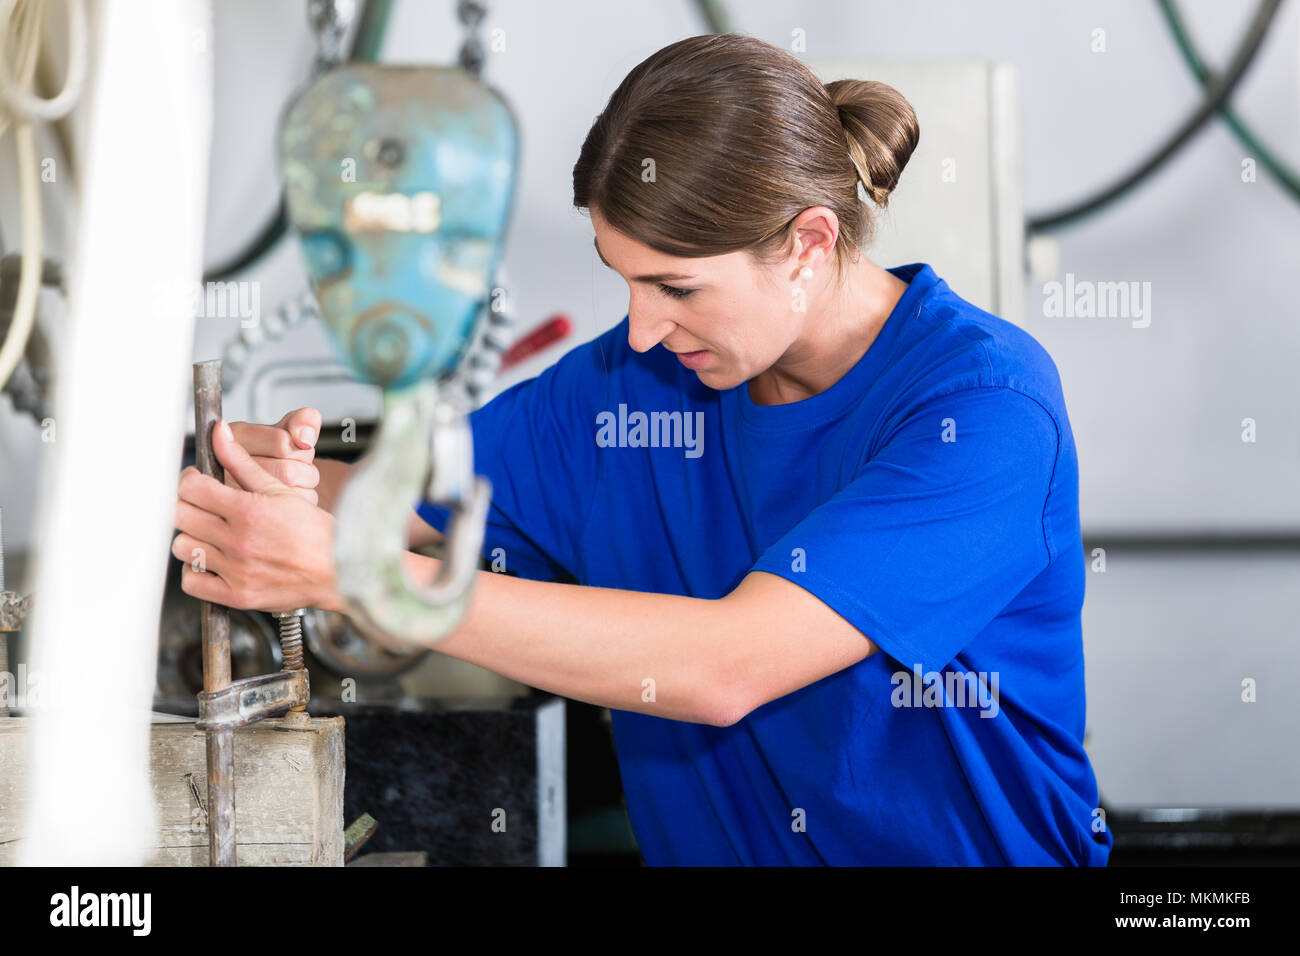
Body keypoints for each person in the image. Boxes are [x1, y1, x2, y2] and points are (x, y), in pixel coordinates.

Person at [173, 33, 1111, 865]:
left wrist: (351, 573)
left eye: (678, 287)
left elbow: (727, 666)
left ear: (808, 245)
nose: (643, 329)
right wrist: (251, 477)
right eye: (624, 280)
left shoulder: (980, 409)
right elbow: (399, 499)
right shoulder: (626, 391)